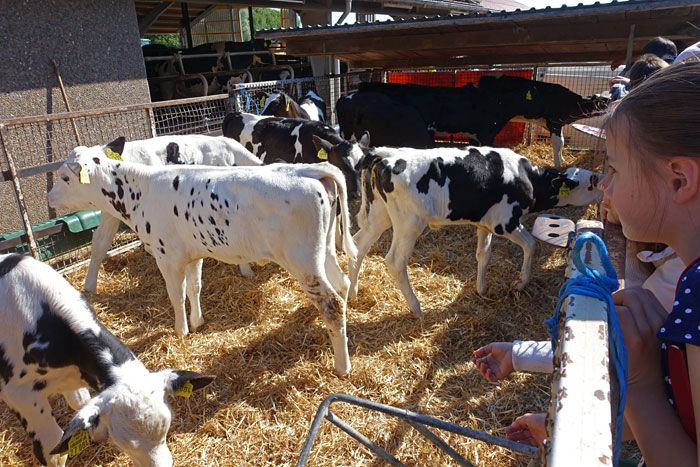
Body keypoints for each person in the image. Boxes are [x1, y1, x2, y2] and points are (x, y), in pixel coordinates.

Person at [476, 62, 700, 463]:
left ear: (679, 179)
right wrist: (565, 426)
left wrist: (639, 381)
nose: (606, 185)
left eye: (614, 168)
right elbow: (682, 419)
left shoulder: (696, 289)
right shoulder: (684, 277)